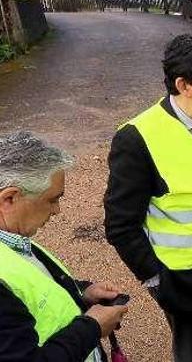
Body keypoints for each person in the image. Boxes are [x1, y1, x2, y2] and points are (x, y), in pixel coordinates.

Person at [104, 34, 192, 362]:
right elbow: (120, 225)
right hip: (186, 278)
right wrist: (158, 282)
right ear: (184, 85)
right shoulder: (137, 138)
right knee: (191, 353)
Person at [0, 131, 129, 362]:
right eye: (52, 199)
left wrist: (79, 293)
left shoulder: (10, 241)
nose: (57, 210)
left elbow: (32, 287)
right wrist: (92, 328)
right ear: (9, 198)